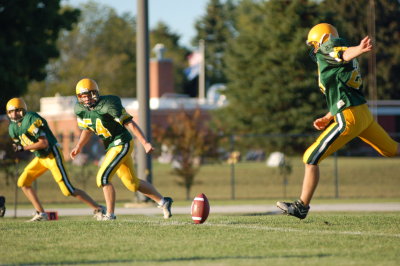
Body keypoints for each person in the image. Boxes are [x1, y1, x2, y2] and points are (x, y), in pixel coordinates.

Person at [277, 23, 400, 219]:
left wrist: (358, 50)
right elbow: (342, 90)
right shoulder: (334, 56)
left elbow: (342, 53)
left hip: (350, 117)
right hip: (362, 114)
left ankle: (301, 206)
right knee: (392, 149)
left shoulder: (328, 47)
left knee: (310, 158)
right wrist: (328, 116)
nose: (315, 49)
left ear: (323, 39)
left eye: (314, 44)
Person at [70, 78, 173, 220]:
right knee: (132, 183)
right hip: (112, 146)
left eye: (89, 94)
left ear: (96, 93)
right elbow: (87, 129)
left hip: (122, 142)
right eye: (83, 96)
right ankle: (163, 201)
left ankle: (110, 215)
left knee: (103, 178)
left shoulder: (108, 104)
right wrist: (79, 146)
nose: (86, 99)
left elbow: (129, 123)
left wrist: (145, 143)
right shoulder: (80, 109)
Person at [6, 98, 105, 222]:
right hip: (40, 157)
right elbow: (20, 146)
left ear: (23, 110)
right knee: (23, 182)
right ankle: (41, 213)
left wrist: (23, 148)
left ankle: (99, 208)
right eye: (11, 112)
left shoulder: (30, 118)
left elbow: (44, 143)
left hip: (52, 155)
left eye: (17, 111)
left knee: (68, 190)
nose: (14, 114)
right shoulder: (12, 128)